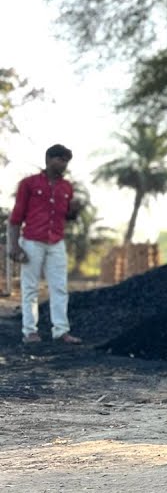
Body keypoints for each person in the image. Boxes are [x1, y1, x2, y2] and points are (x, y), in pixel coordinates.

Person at [7, 144, 83, 344]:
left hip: (56, 242)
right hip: (32, 241)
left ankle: (61, 331)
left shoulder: (67, 187)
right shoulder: (29, 184)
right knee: (30, 288)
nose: (64, 164)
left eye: (66, 161)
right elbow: (16, 217)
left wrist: (75, 211)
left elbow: (68, 217)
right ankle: (30, 331)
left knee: (59, 288)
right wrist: (14, 246)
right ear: (48, 159)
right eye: (60, 159)